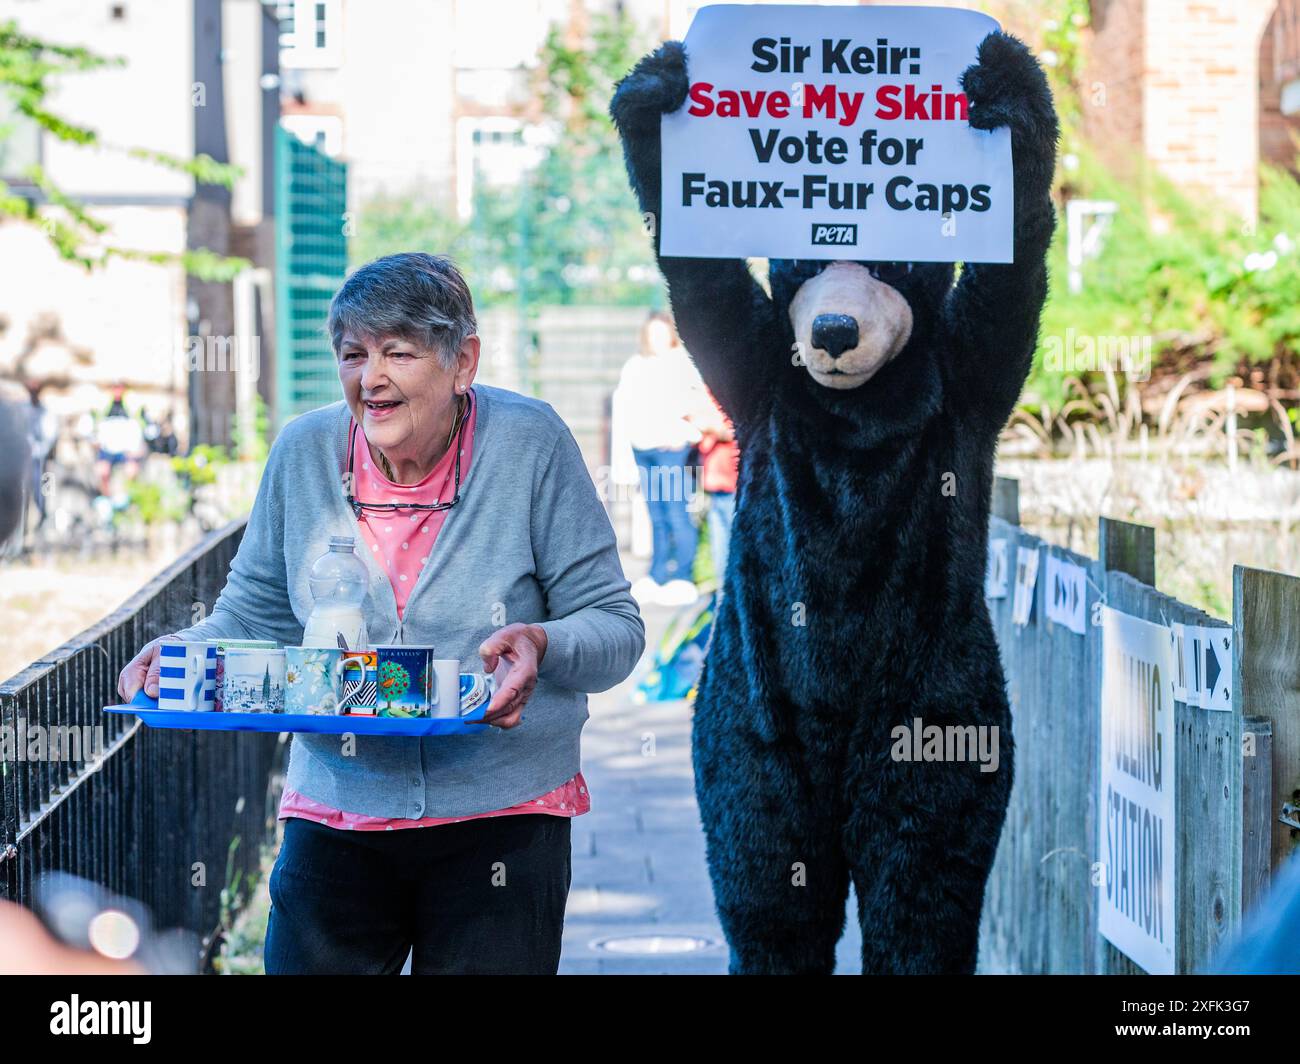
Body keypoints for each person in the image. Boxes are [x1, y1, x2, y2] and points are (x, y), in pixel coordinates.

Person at [118, 253, 645, 975]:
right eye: (354, 354)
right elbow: (252, 613)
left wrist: (542, 644)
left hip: (502, 813)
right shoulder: (305, 451)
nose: (372, 378)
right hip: (338, 803)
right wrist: (182, 652)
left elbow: (616, 626)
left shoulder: (530, 444)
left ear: (463, 361)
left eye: (399, 352)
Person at [615, 310, 703, 607]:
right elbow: (626, 408)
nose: (656, 339)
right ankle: (657, 573)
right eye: (651, 334)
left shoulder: (683, 364)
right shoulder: (635, 366)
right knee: (656, 514)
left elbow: (698, 402)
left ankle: (682, 574)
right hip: (644, 449)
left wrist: (683, 433)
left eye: (661, 333)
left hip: (672, 450)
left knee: (677, 511)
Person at [690, 387, 739, 589]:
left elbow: (735, 429)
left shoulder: (734, 390)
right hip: (715, 482)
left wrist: (710, 426)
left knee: (733, 548)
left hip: (734, 482)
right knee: (720, 549)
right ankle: (722, 600)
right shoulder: (709, 391)